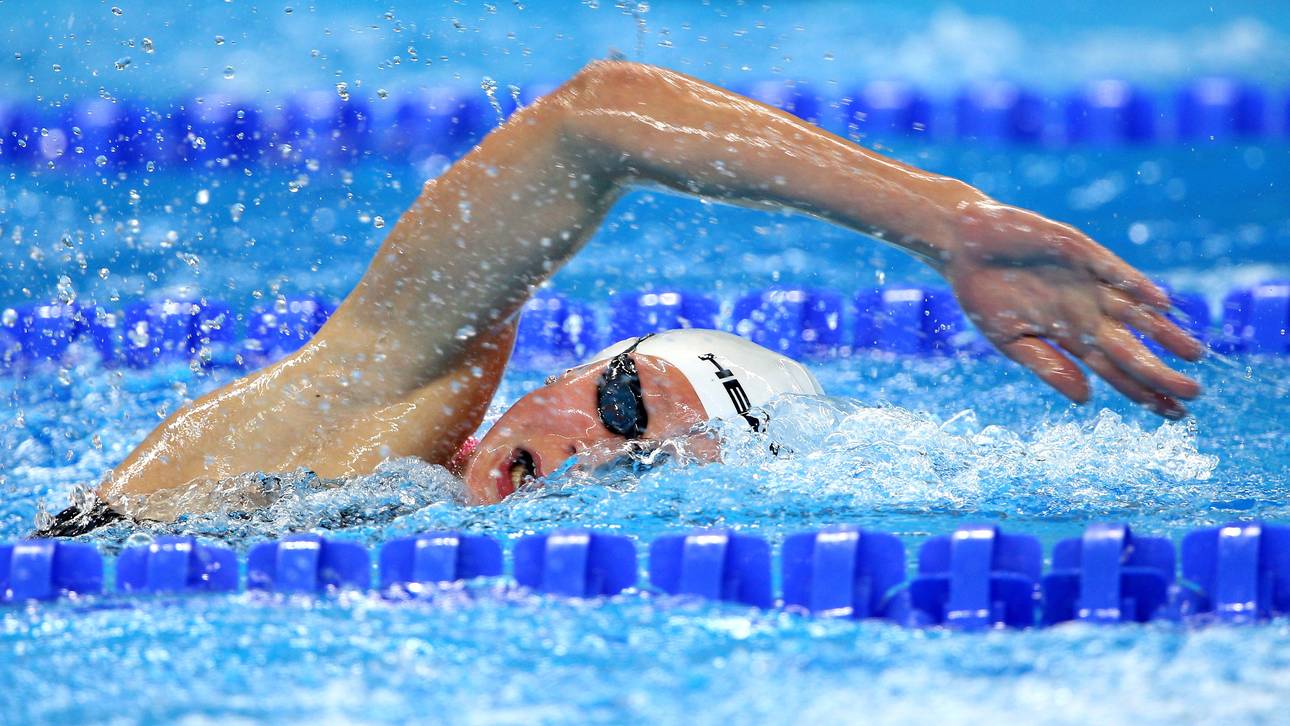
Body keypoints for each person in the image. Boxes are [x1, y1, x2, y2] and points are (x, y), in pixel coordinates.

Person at [38, 60, 1203, 535]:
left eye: (648, 464)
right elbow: (593, 119)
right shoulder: (372, 412)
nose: (596, 452)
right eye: (625, 406)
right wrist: (942, 217)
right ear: (546, 377)